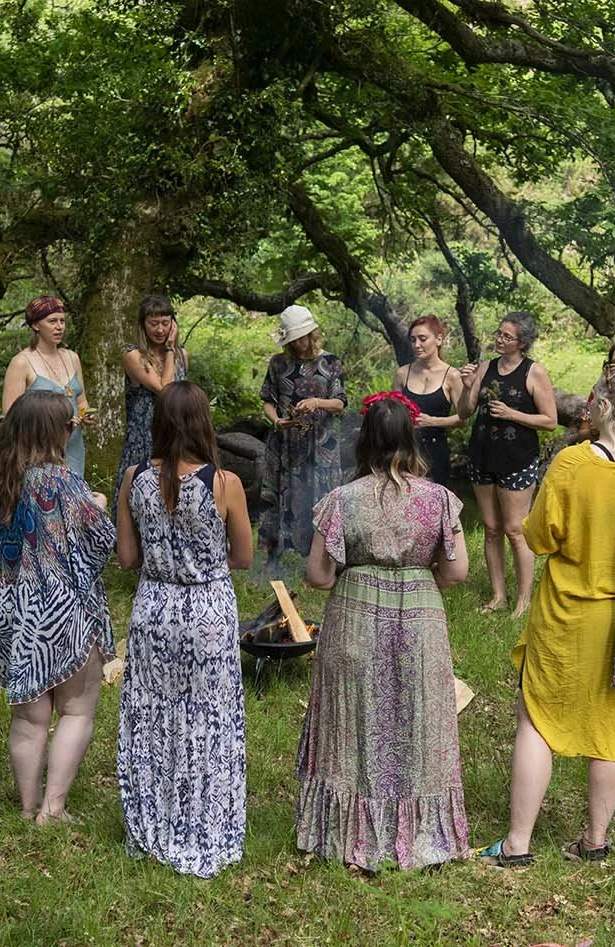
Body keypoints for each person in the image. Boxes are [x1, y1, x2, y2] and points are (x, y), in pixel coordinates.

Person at [479, 364, 615, 868]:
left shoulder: (572, 464)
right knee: (612, 730)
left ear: (603, 408)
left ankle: (517, 844)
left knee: (538, 720)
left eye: (592, 399)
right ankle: (595, 841)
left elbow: (539, 537)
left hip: (567, 617)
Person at [297, 392, 471, 871]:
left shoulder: (342, 500)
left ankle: (350, 835)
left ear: (364, 440)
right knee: (420, 719)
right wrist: (418, 574)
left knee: (355, 721)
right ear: (411, 439)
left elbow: (318, 575)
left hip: (355, 617)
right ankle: (423, 835)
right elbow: (457, 572)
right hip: (421, 617)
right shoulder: (438, 499)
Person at [115, 382, 252, 876]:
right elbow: (243, 557)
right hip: (207, 611)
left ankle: (153, 820)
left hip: (153, 609)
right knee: (207, 720)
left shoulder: (133, 478)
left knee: (152, 716)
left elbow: (126, 558)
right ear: (202, 423)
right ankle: (203, 823)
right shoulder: (224, 483)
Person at [0, 392, 116, 823]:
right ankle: (52, 809)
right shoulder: (63, 481)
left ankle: (27, 806)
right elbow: (100, 541)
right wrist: (99, 506)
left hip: (11, 610)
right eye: (69, 425)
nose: (72, 430)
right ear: (57, 432)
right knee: (76, 709)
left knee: (28, 718)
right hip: (61, 609)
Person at [458, 311, 558, 616]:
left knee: (515, 529)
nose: (499, 339)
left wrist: (512, 414)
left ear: (522, 342)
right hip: (482, 455)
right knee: (491, 528)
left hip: (517, 459)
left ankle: (523, 600)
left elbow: (550, 421)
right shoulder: (485, 367)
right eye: (498, 333)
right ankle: (498, 596)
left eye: (507, 336)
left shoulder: (534, 372)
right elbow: (464, 412)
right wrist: (467, 385)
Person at [257, 304, 346, 576]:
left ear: (311, 334)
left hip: (321, 443)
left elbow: (340, 403)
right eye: (293, 339)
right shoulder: (278, 363)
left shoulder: (330, 362)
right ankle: (275, 556)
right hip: (285, 443)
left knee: (322, 496)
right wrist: (276, 420)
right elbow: (267, 400)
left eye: (302, 337)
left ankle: (325, 558)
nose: (298, 344)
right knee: (280, 496)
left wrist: (317, 402)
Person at [1, 296, 95, 476]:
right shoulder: (21, 362)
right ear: (36, 325)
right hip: (39, 452)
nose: (59, 327)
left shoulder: (72, 357)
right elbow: (11, 417)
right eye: (52, 321)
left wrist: (85, 415)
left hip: (73, 448)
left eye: (62, 321)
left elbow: (81, 402)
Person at [117, 294, 188, 499]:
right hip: (144, 437)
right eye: (153, 323)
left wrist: (173, 351)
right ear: (143, 325)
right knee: (141, 496)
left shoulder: (182, 355)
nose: (160, 330)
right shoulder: (133, 355)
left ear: (173, 324)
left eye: (165, 323)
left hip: (175, 434)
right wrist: (169, 349)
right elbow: (165, 389)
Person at [392, 315, 464, 486]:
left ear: (438, 339)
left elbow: (463, 418)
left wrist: (433, 421)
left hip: (435, 450)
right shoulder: (402, 373)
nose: (417, 345)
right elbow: (392, 413)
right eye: (413, 340)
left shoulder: (452, 375)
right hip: (405, 450)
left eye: (423, 339)